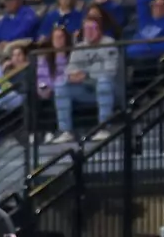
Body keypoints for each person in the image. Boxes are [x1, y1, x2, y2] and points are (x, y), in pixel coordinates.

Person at [50, 10, 118, 143]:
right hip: (85, 89)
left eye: (92, 28)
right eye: (86, 29)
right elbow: (70, 68)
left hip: (108, 87)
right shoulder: (79, 47)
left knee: (104, 82)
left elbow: (110, 70)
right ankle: (65, 131)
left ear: (99, 29)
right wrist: (72, 76)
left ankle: (104, 128)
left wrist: (86, 74)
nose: (89, 32)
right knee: (61, 86)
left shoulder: (109, 43)